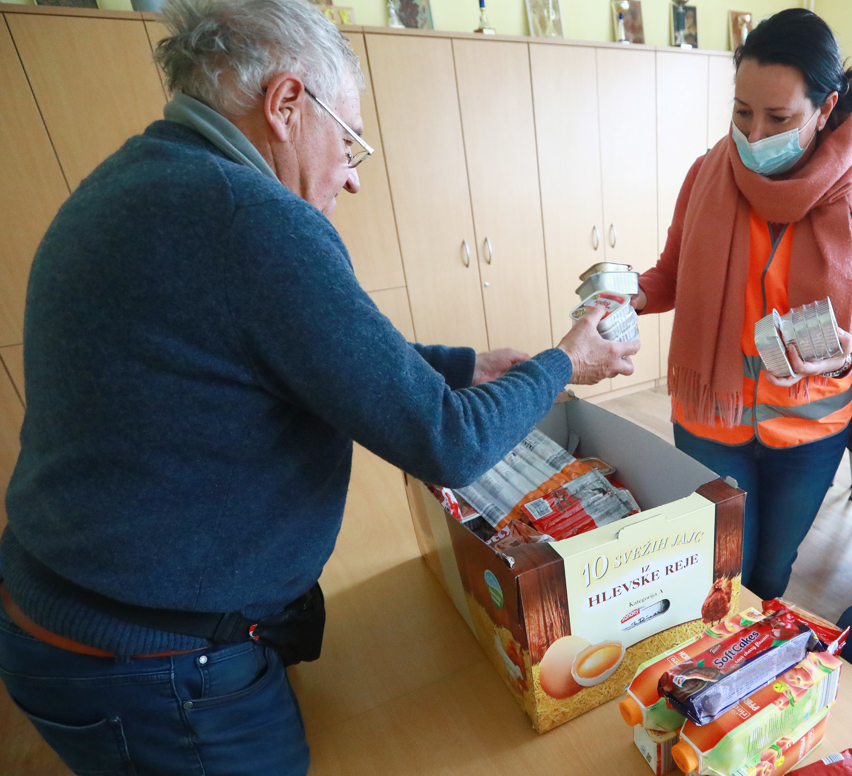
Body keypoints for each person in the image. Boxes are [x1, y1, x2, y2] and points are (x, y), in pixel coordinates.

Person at [0, 0, 637, 772]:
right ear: (286, 104)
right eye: (350, 142)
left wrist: (469, 367)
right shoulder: (254, 220)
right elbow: (449, 442)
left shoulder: (140, 179)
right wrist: (564, 361)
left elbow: (304, 350)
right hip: (150, 662)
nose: (351, 178)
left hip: (68, 612)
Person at [634, 8, 852, 600]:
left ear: (826, 107)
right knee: (718, 571)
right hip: (711, 419)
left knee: (768, 574)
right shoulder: (707, 175)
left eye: (779, 117)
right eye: (741, 112)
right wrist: (628, 296)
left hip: (809, 430)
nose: (754, 135)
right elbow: (671, 277)